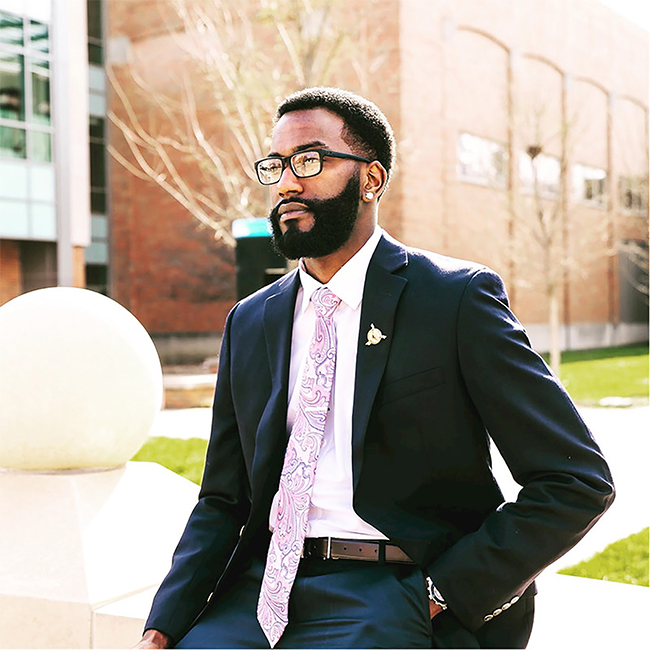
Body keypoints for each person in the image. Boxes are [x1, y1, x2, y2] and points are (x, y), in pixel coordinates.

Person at [136, 87, 614, 649]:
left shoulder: (454, 300)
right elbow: (222, 497)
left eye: (309, 160)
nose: (288, 181)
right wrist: (163, 625)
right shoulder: (251, 320)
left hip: (392, 590)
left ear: (372, 179)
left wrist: (444, 591)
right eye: (276, 165)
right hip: (260, 591)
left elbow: (575, 479)